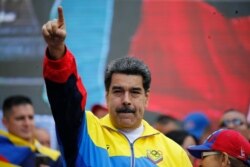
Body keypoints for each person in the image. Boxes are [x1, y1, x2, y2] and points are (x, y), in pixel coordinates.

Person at [41, 6, 192, 167]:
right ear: (107, 96)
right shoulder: (84, 132)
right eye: (118, 91)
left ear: (146, 98)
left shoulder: (175, 154)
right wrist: (57, 51)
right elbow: (66, 98)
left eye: (134, 92)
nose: (126, 100)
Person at [0, 95, 62, 167]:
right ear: (5, 122)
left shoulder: (54, 156)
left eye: (31, 117)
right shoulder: (2, 152)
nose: (27, 123)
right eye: (20, 118)